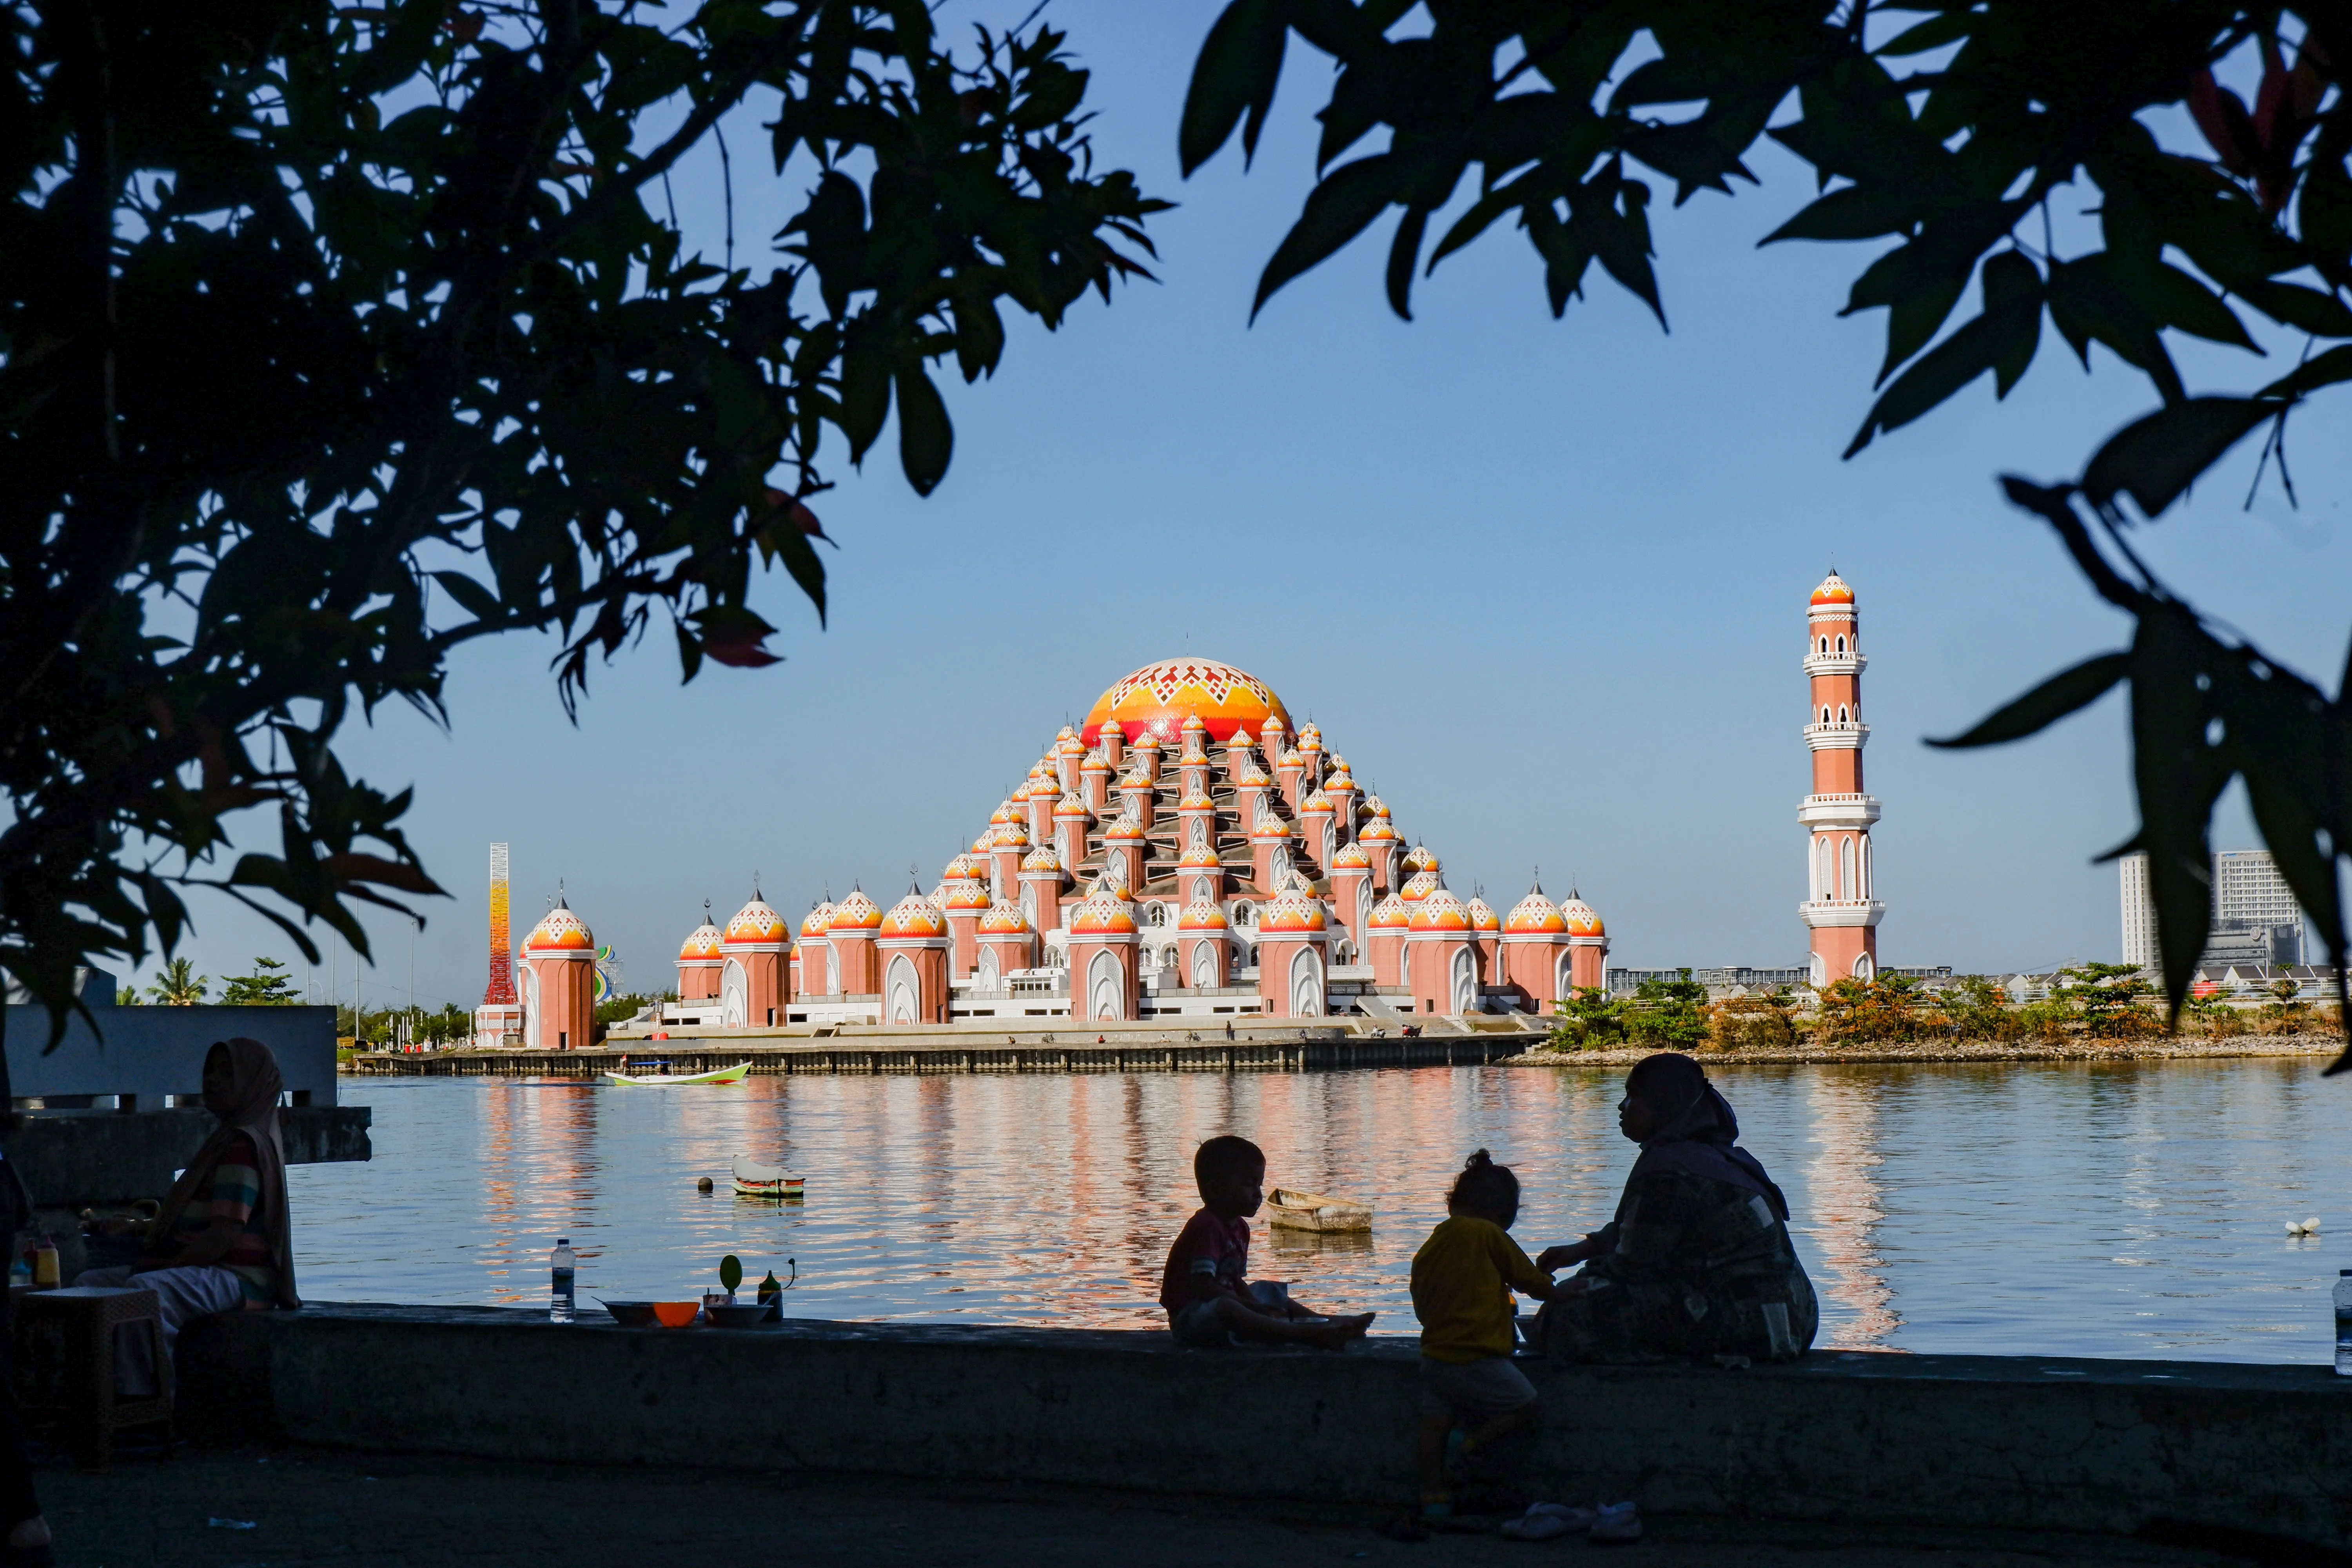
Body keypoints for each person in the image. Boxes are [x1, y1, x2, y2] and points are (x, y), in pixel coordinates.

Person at [1534, 1052, 1816, 1363]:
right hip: (1794, 1318)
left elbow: (1634, 1266)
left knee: (1573, 1308)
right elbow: (1652, 1228)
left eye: (1633, 1096)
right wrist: (1583, 1249)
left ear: (1662, 1104)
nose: (1621, 1106)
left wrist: (1581, 1280)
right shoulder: (1710, 1157)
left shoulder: (1668, 1170)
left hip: (1755, 1327)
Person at [80, 1038, 301, 1391]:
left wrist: (166, 1266)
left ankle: (145, 1405)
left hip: (239, 1277)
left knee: (144, 1293)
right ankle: (95, 1397)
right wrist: (139, 1228)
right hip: (213, 1267)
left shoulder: (243, 1146)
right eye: (209, 1072)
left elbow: (222, 1236)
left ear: (252, 1082)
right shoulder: (226, 1139)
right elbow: (202, 1223)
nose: (212, 1081)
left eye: (227, 1074)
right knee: (86, 1287)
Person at [1408, 1149, 1560, 1521]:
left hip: (1435, 1356)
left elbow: (1421, 1300)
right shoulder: (1488, 1233)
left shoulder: (1431, 1245)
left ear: (1454, 1204)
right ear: (1505, 1213)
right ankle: (1471, 1444)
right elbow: (1530, 1281)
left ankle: (1434, 1498)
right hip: (1477, 1358)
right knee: (1527, 1407)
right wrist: (1558, 1290)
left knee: (1434, 1426)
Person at [1159, 1135, 1373, 1350]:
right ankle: (1304, 1333)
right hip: (1191, 1320)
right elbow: (1202, 1286)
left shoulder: (1241, 1229)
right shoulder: (1206, 1226)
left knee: (1267, 1290)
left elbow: (1235, 1281)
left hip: (1223, 1306)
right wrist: (1249, 1306)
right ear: (1216, 1189)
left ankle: (1324, 1322)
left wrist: (1256, 1305)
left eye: (1259, 1185)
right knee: (1227, 1307)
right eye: (1249, 1185)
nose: (1258, 1195)